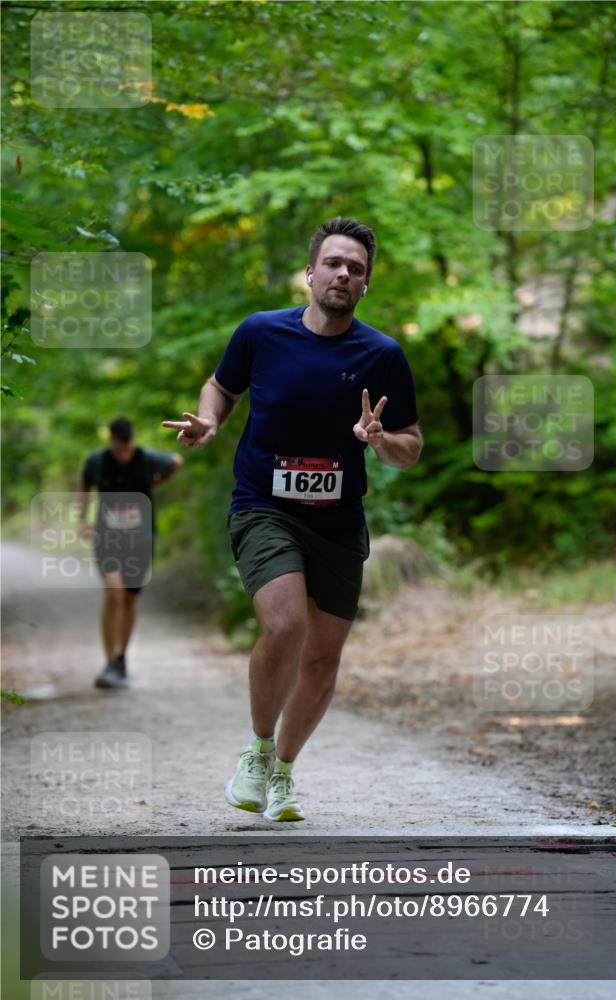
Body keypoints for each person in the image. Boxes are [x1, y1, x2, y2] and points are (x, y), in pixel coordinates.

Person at [163, 216, 422, 821]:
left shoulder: (383, 355)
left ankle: (283, 769)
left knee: (323, 659)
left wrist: (380, 441)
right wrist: (209, 420)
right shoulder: (261, 334)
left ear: (366, 286)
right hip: (264, 505)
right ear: (310, 272)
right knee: (284, 626)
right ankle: (255, 752)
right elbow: (221, 388)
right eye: (333, 263)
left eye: (355, 269)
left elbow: (411, 447)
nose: (343, 274)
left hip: (337, 520)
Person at [79, 417, 183, 689]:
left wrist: (155, 484)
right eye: (119, 446)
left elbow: (176, 460)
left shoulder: (147, 459)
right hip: (107, 538)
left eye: (127, 446)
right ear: (111, 440)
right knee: (113, 595)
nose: (124, 451)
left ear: (132, 440)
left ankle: (122, 658)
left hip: (141, 539)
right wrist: (81, 519)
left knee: (128, 599)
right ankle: (110, 661)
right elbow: (85, 484)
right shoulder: (98, 462)